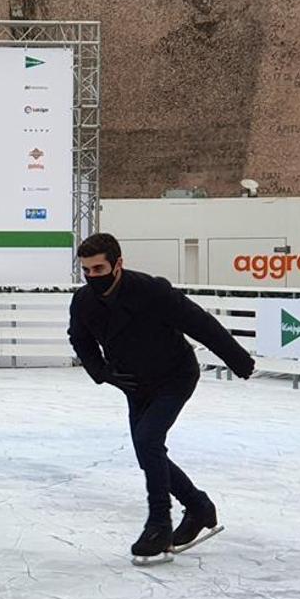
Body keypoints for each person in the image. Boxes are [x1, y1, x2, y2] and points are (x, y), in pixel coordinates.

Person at [67, 233, 255, 564]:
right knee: (147, 451)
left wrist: (237, 359)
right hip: (134, 384)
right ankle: (198, 507)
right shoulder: (84, 302)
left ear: (118, 264)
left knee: (148, 440)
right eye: (87, 271)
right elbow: (79, 339)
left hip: (174, 376)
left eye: (99, 269)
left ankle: (159, 524)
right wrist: (103, 372)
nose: (93, 277)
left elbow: (199, 323)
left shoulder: (150, 291)